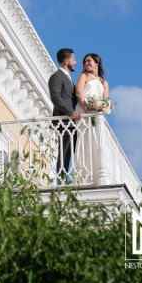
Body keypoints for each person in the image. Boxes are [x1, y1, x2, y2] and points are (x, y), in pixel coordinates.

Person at [48, 48, 79, 183]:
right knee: (65, 151)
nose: (76, 62)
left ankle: (69, 177)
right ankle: (61, 180)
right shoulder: (56, 77)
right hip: (64, 120)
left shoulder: (68, 78)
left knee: (73, 150)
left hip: (73, 121)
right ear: (66, 61)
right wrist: (71, 112)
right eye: (73, 60)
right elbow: (55, 98)